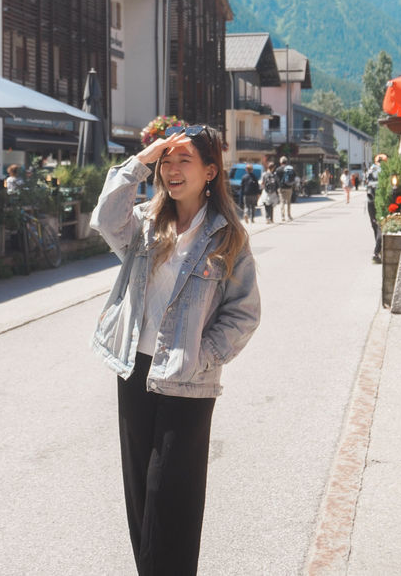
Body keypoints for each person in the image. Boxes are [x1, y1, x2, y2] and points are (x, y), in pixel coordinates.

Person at [90, 125, 260, 576]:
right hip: (134, 368)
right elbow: (105, 218)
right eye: (167, 160)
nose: (171, 168)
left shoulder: (228, 238)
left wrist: (202, 356)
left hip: (188, 381)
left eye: (183, 159)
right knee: (141, 498)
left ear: (209, 172)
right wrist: (141, 160)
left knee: (174, 498)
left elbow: (244, 313)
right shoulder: (145, 223)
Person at [366, 153, 387, 263]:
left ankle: (378, 250)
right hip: (380, 199)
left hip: (370, 200)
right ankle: (377, 251)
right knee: (380, 225)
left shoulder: (370, 170)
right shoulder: (384, 171)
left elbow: (367, 183)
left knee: (375, 225)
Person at [275, 155, 295, 221]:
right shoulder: (290, 168)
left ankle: (283, 216)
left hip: (281, 188)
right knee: (288, 202)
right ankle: (289, 216)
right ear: (286, 162)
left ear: (280, 162)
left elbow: (276, 180)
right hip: (289, 187)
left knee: (282, 202)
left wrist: (277, 187)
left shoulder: (278, 169)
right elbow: (294, 177)